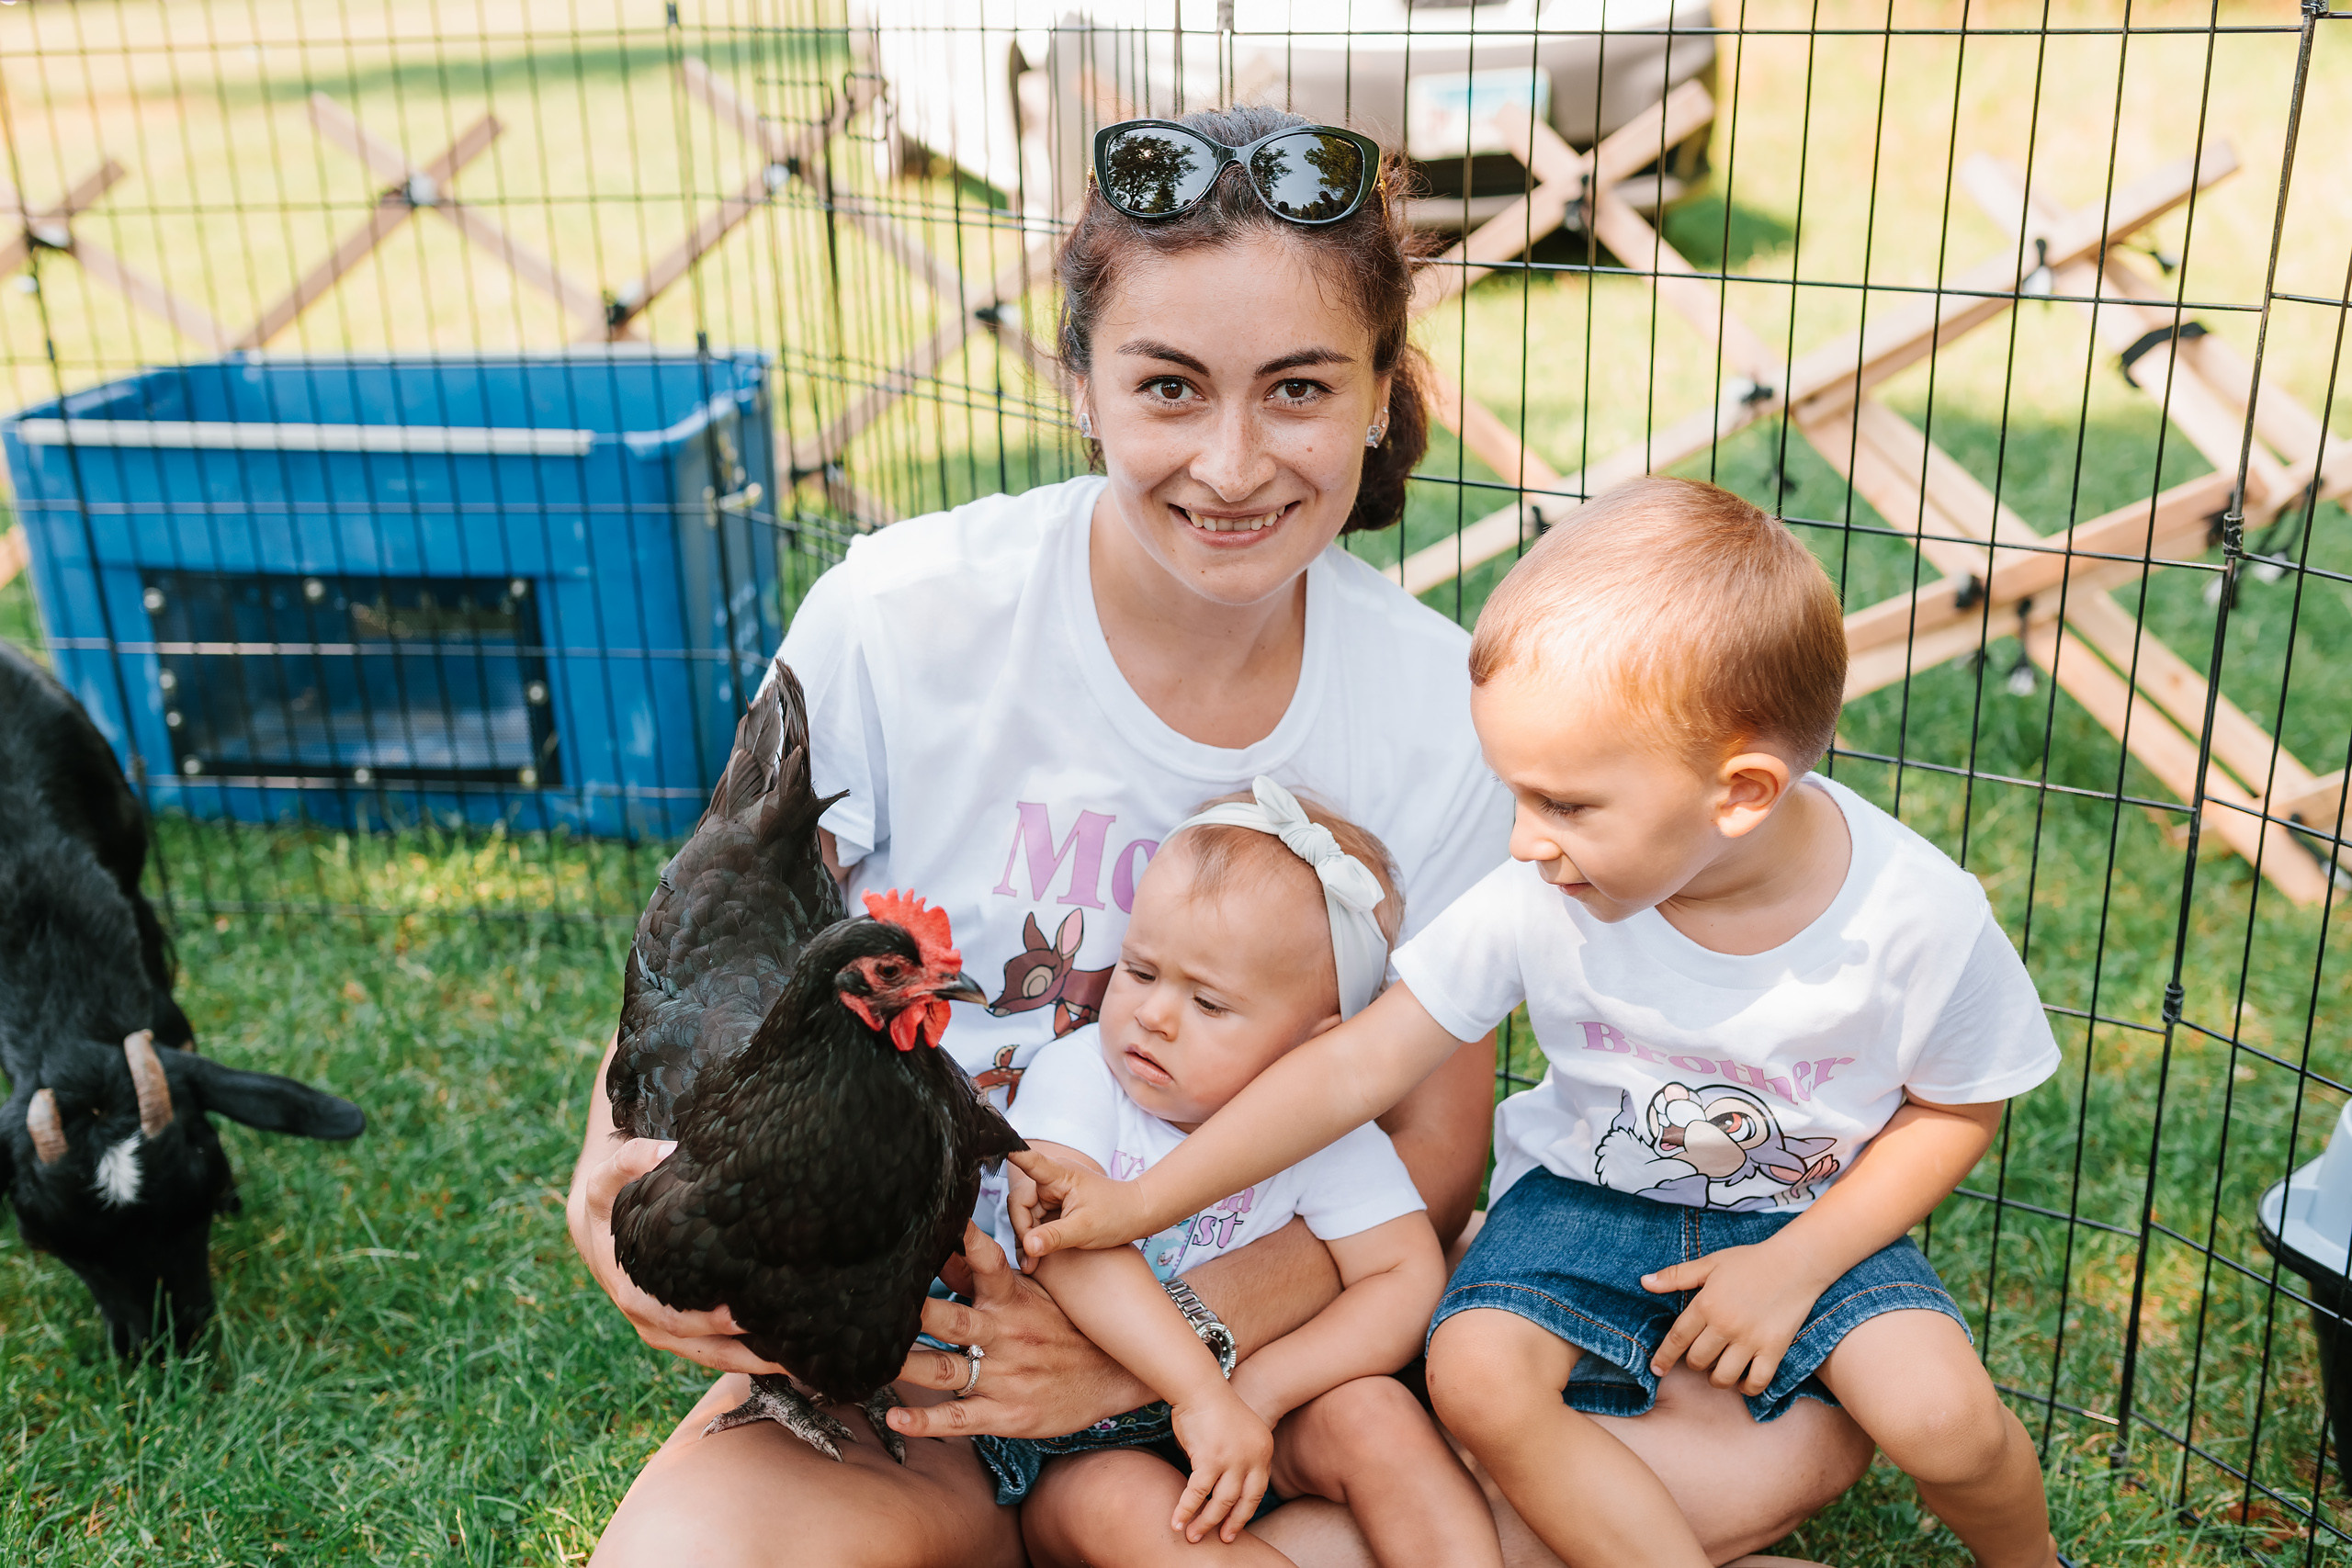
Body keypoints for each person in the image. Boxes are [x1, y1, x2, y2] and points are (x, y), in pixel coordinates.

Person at [569, 102, 1873, 1567]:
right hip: (913, 1364)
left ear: (1382, 392)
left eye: (1300, 388)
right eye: (1172, 386)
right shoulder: (899, 614)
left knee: (1797, 1422)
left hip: (1251, 1356)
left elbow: (1430, 1163)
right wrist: (615, 1173)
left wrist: (1150, 1352)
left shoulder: (1446, 717)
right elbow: (709, 951)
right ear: (1083, 384)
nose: (1236, 463)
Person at [1012, 477, 2065, 1568]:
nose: (1522, 840)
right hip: (1585, 1200)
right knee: (1473, 1373)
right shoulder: (1543, 894)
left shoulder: (1916, 915)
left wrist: (1798, 1263)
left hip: (1811, 1215)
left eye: (1562, 804)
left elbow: (1955, 1107)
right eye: (1515, 795)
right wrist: (1140, 1202)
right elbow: (1353, 1069)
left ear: (1739, 793)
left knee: (1941, 1416)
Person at [978, 780, 1499, 1565]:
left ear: (1314, 1045)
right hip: (1076, 1441)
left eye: (1210, 1003)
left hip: (1247, 1404)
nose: (1154, 1015)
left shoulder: (1323, 1133)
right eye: (1141, 970)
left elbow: (1402, 1272)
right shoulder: (1081, 1077)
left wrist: (1263, 1389)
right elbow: (1069, 1243)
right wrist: (1197, 1392)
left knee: (1376, 1416)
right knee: (1120, 1507)